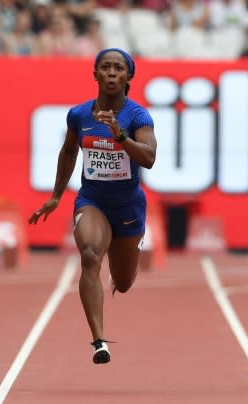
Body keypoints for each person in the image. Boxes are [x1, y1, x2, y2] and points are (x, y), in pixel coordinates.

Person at [28, 48, 157, 364]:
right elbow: (69, 151)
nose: (112, 73)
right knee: (88, 255)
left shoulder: (137, 117)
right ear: (95, 74)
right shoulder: (79, 115)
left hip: (128, 206)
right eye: (106, 68)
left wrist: (121, 137)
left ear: (128, 77)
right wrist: (57, 195)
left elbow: (149, 158)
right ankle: (99, 340)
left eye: (118, 68)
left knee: (123, 283)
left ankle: (120, 261)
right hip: (93, 200)